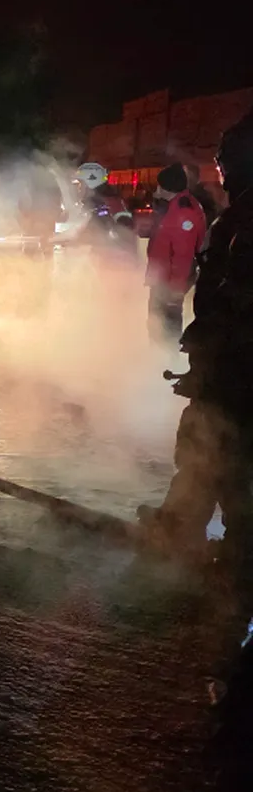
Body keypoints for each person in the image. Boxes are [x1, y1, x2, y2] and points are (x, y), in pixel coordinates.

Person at [139, 115, 253, 563]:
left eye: (223, 162)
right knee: (217, 451)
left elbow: (238, 297)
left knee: (212, 448)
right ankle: (187, 527)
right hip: (233, 364)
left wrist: (206, 355)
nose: (219, 173)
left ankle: (207, 541)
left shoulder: (246, 217)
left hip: (236, 370)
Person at [145, 163, 207, 343]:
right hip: (164, 277)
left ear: (167, 187)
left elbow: (183, 256)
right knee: (157, 322)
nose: (156, 189)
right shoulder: (175, 206)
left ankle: (167, 360)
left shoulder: (183, 213)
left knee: (166, 324)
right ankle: (159, 357)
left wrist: (175, 291)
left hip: (170, 281)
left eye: (159, 185)